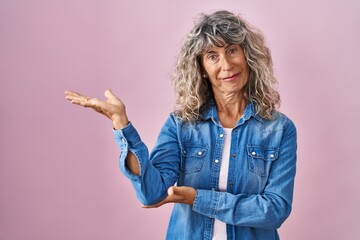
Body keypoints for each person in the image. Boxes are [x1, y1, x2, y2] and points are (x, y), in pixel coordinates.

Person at [65, 10, 297, 240]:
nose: (226, 64)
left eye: (232, 50)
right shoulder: (180, 125)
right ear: (202, 69)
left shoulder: (279, 129)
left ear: (249, 56)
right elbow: (151, 193)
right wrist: (121, 125)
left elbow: (275, 210)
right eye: (212, 56)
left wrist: (198, 198)